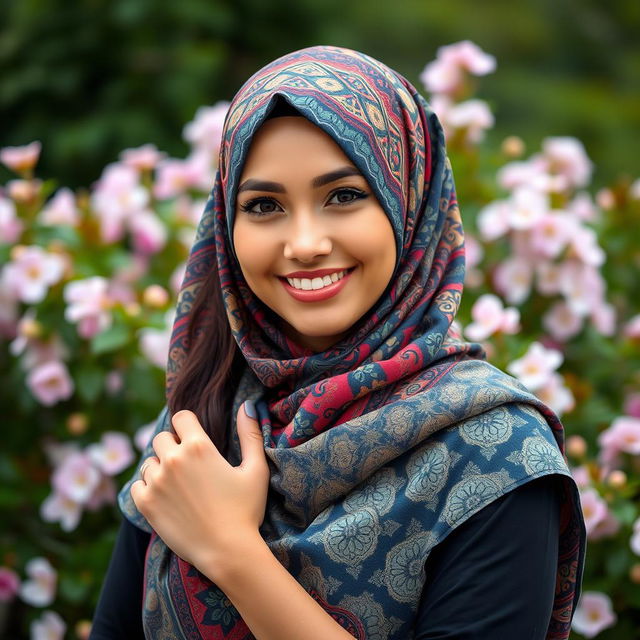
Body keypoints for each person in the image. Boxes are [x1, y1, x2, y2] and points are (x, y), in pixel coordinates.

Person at [90, 45, 586, 639]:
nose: (303, 243)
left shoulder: (497, 456)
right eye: (265, 205)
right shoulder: (205, 418)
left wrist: (231, 553)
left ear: (409, 202)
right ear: (226, 223)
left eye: (344, 195)